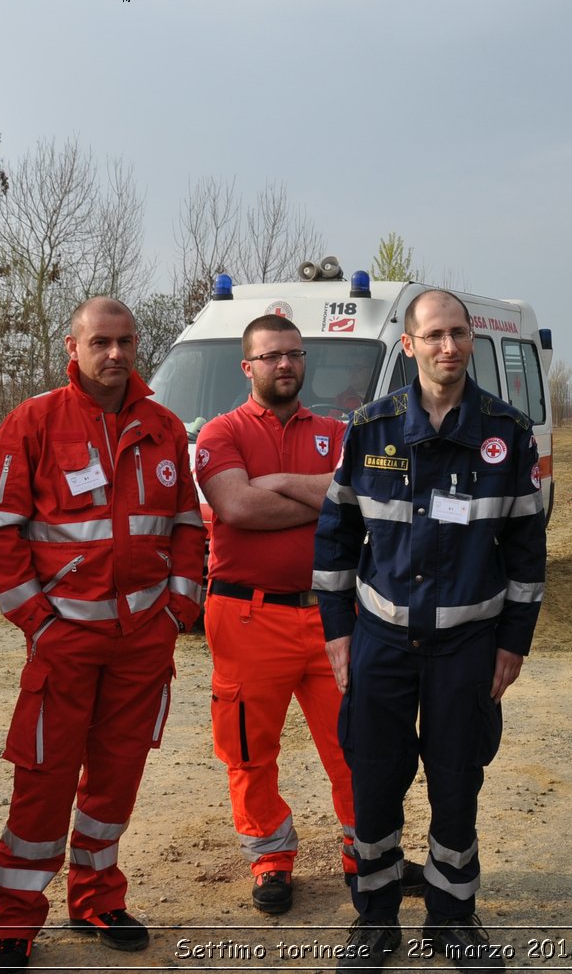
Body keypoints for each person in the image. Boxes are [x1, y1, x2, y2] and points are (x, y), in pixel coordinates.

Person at [314, 289, 545, 972]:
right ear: (408, 345)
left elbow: (528, 549)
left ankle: (452, 917)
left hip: (468, 648)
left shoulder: (509, 432)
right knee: (375, 781)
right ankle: (376, 918)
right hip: (383, 643)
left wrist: (514, 639)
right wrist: (337, 634)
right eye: (435, 335)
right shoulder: (371, 427)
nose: (450, 346)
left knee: (456, 782)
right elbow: (335, 538)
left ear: (471, 340)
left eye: (459, 333)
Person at [0, 298, 205, 971]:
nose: (115, 354)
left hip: (142, 644)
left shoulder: (164, 427)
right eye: (100, 341)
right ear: (71, 348)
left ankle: (97, 895)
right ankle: (12, 920)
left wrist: (175, 612)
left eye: (126, 341)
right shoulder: (34, 422)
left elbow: (189, 527)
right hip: (64, 641)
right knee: (42, 780)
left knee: (115, 777)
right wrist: (40, 622)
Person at [197, 314, 423, 913]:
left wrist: (280, 481)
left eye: (294, 354)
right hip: (247, 616)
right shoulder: (219, 433)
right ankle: (270, 859)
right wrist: (319, 494)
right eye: (271, 356)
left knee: (356, 743)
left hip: (335, 615)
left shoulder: (338, 431)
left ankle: (367, 853)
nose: (285, 365)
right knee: (248, 749)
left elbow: (362, 497)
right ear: (247, 366)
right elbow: (238, 507)